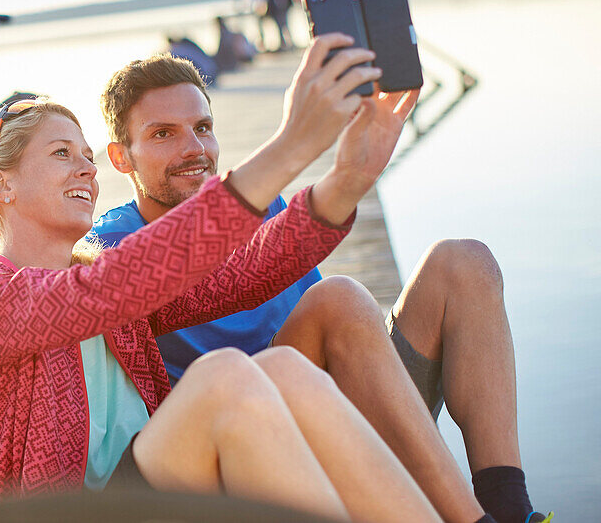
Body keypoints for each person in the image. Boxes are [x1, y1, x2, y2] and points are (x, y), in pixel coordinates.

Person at [0, 36, 445, 521]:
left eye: (87, 156)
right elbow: (107, 290)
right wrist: (290, 145)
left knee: (282, 366)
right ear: (1, 185)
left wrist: (349, 178)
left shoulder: (100, 287)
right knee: (223, 377)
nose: (86, 168)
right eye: (61, 153)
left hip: (155, 494)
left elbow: (243, 276)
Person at [92, 53, 551, 523]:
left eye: (202, 127)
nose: (194, 148)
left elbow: (327, 322)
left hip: (349, 406)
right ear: (120, 156)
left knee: (464, 262)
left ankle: (510, 509)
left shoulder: (260, 205)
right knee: (340, 298)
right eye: (163, 134)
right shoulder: (110, 249)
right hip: (259, 444)